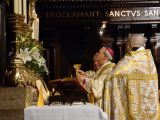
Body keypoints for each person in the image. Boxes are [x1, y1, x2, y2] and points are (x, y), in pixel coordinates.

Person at [103, 34, 159, 120]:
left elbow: (110, 78)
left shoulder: (129, 60)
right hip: (152, 109)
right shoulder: (149, 60)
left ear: (129, 45)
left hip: (129, 114)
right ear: (143, 45)